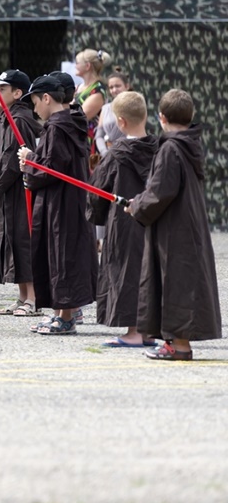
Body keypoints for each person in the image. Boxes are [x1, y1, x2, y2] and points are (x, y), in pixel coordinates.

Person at [126, 89, 222, 361]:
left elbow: (159, 193)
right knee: (176, 282)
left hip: (175, 229)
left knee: (176, 283)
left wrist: (136, 206)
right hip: (183, 225)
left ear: (162, 117)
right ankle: (174, 343)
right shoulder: (189, 144)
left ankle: (180, 346)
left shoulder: (170, 148)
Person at [17, 74, 97, 336]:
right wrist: (34, 159)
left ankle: (65, 316)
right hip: (68, 199)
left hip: (60, 201)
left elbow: (51, 168)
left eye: (35, 101)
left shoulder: (57, 126)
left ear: (47, 98)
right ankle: (62, 313)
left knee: (62, 254)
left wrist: (30, 164)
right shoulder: (72, 121)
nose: (34, 108)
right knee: (62, 253)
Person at [87, 91, 159, 347]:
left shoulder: (117, 155)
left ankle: (134, 332)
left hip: (125, 222)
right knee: (151, 272)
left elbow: (98, 190)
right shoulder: (161, 149)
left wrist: (96, 217)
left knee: (127, 272)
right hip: (156, 222)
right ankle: (149, 330)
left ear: (120, 122)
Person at [0, 69, 43, 317]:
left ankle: (33, 298)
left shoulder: (21, 119)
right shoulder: (4, 117)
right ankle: (22, 295)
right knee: (11, 241)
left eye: (2, 89)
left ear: (17, 93)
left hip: (18, 188)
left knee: (23, 241)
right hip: (6, 190)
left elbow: (16, 160)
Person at [74, 48, 112, 168]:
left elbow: (82, 115)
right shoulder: (79, 87)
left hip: (90, 139)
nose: (75, 65)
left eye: (77, 62)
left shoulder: (98, 89)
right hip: (78, 136)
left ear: (88, 66)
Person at [96, 68, 132, 155]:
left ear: (126, 86)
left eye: (118, 86)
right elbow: (99, 136)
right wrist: (104, 152)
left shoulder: (134, 106)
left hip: (129, 153)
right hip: (108, 154)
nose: (114, 90)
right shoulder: (105, 109)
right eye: (111, 87)